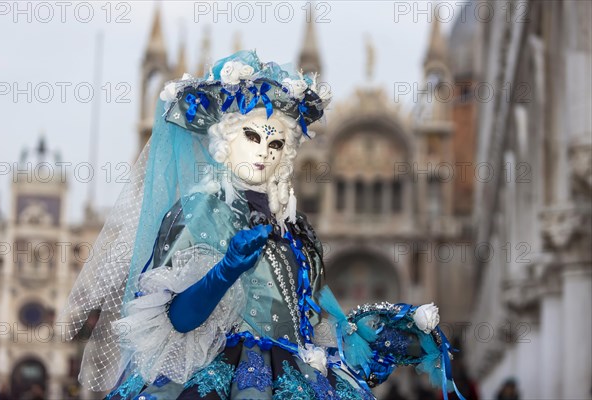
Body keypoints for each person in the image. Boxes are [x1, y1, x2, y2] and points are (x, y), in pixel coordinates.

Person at [58, 50, 463, 400]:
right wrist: (226, 270)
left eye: (276, 144)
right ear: (224, 139)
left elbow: (316, 323)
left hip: (298, 374)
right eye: (252, 137)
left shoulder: (294, 227)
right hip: (217, 373)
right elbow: (177, 320)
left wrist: (380, 333)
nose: (264, 154)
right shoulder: (200, 211)